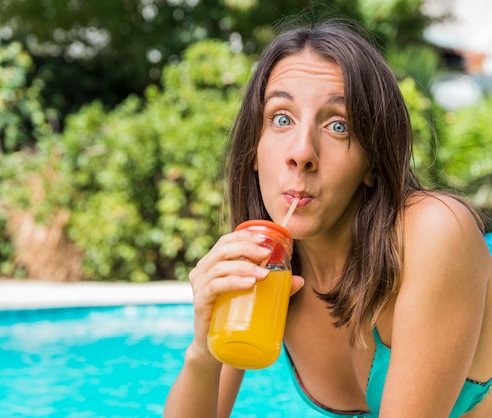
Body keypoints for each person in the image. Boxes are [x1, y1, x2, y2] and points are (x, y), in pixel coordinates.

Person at [164, 18, 492, 418]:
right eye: (282, 118)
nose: (302, 152)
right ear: (254, 148)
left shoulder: (436, 233)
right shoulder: (264, 267)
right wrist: (203, 349)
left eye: (339, 125)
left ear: (373, 161)